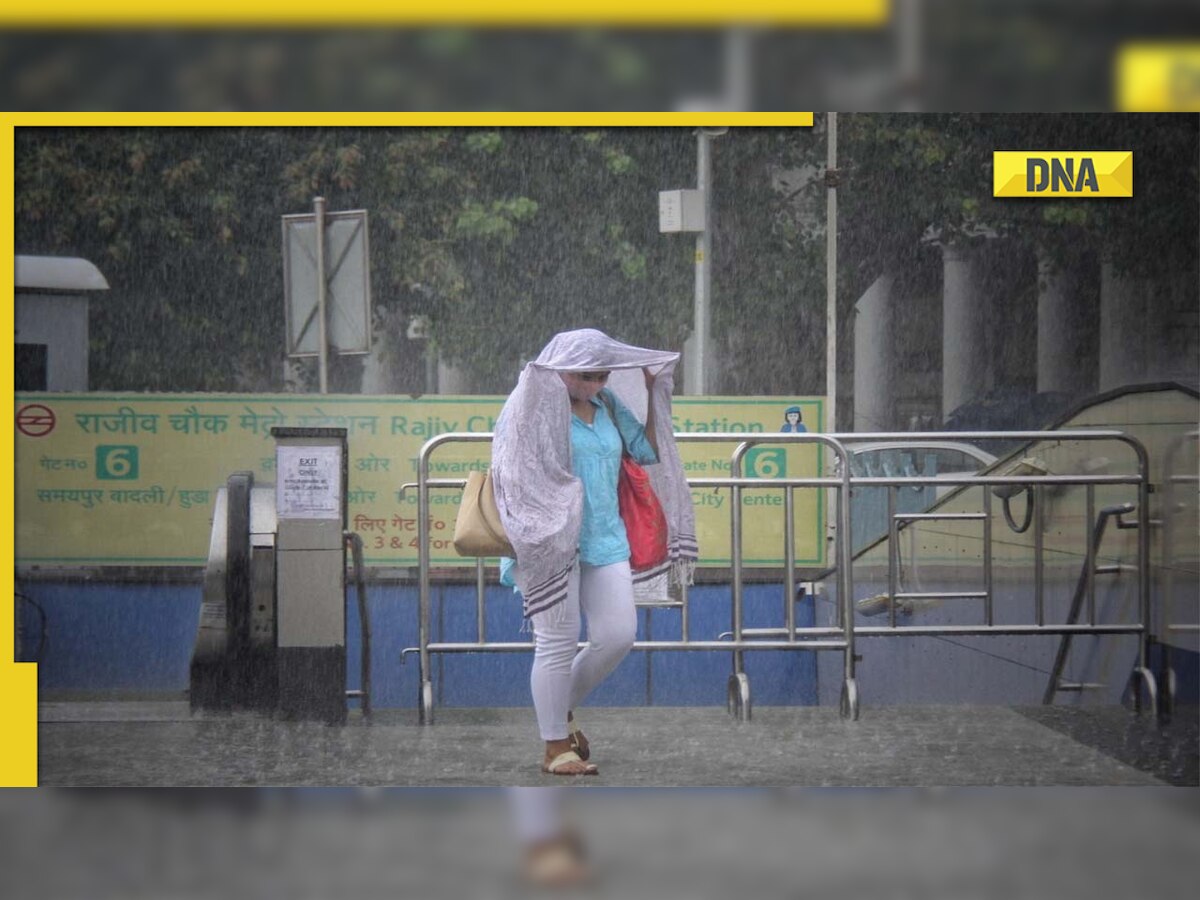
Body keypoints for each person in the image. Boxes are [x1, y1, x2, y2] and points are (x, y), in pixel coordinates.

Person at [491, 329, 696, 777]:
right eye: (587, 374)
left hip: (605, 537)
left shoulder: (606, 406)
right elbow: (510, 468)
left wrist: (652, 393)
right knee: (556, 643)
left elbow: (646, 452)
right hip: (549, 541)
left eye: (604, 375)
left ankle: (558, 712)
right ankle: (554, 748)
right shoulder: (528, 404)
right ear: (560, 368)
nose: (596, 383)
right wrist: (546, 518)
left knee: (618, 635)